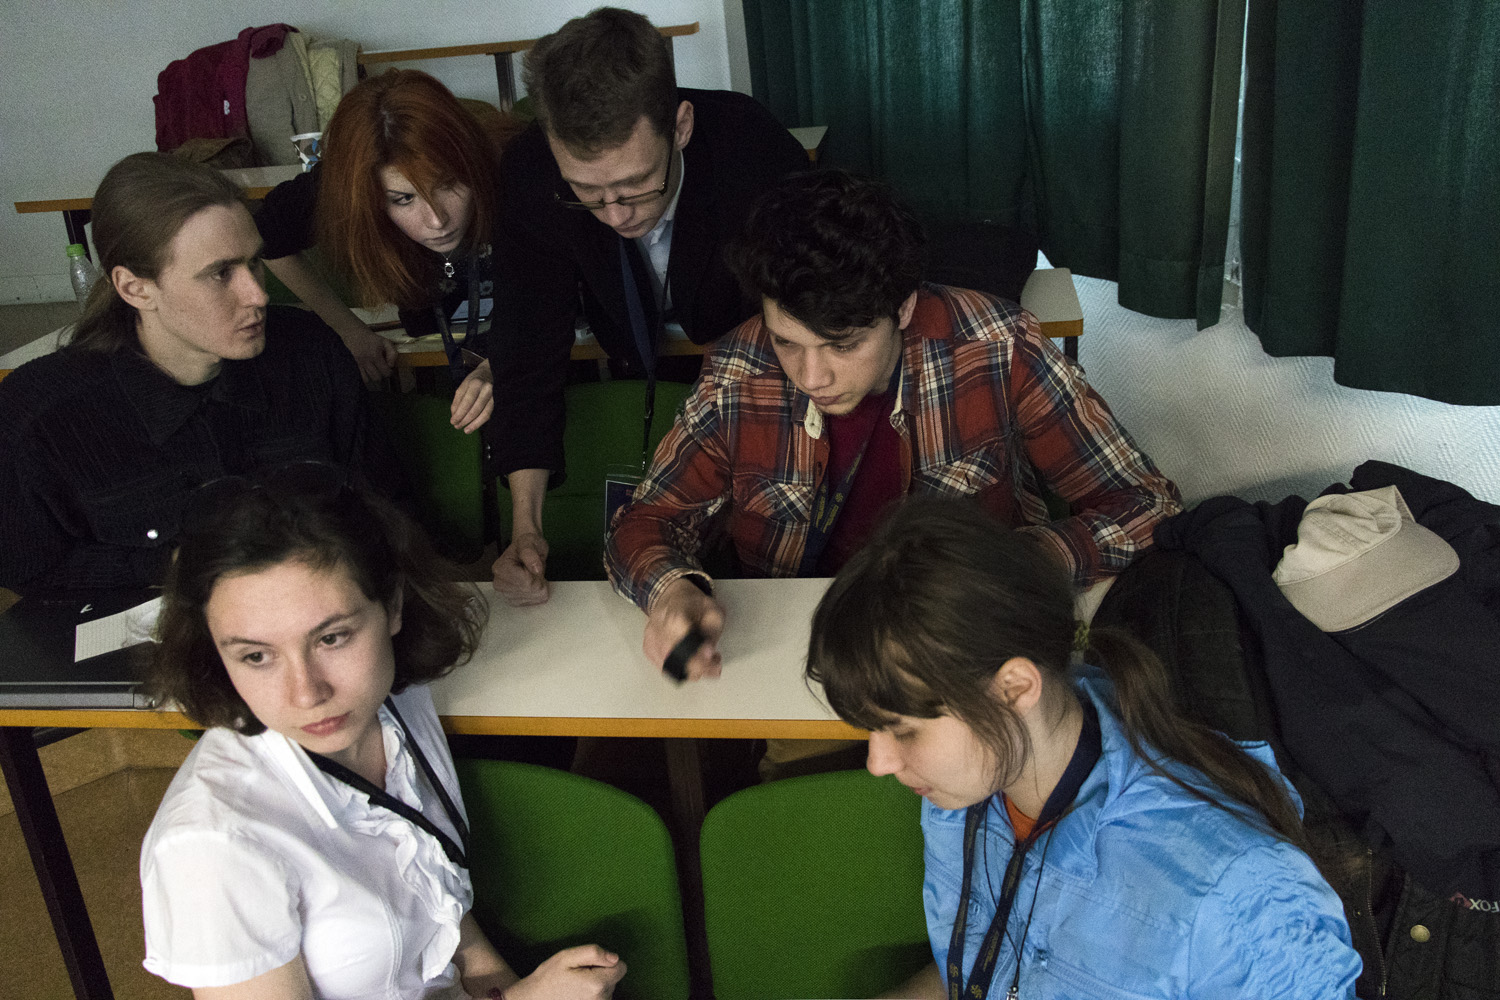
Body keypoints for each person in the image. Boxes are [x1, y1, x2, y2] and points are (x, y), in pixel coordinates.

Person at [605, 170, 1182, 681]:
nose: (811, 376)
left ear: (902, 307)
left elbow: (1147, 503)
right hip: (799, 657)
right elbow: (647, 521)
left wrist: (1033, 561)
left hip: (966, 648)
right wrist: (672, 587)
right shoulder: (737, 371)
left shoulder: (999, 347)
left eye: (843, 345)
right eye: (787, 342)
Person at [805, 497, 1362, 999]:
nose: (878, 763)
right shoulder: (968, 789)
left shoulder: (1237, 897)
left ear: (1014, 688)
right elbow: (987, 969)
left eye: (904, 730)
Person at [140, 466, 627, 999]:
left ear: (392, 605)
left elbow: (444, 914)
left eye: (332, 638)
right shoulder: (212, 847)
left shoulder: (395, 702)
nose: (306, 694)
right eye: (256, 656)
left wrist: (510, 990)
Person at [488, 7, 809, 606]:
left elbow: (804, 307)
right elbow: (527, 344)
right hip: (630, 351)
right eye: (587, 192)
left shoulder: (750, 146)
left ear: (680, 126)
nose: (615, 214)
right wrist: (525, 528)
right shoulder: (532, 170)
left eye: (636, 184)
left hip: (748, 356)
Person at [0, 152, 397, 595]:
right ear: (135, 289)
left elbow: (381, 506)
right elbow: (31, 572)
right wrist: (176, 566)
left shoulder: (311, 353)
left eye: (254, 262)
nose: (258, 295)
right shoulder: (40, 414)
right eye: (220, 273)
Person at [256, 69, 519, 432]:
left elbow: (557, 292)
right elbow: (269, 235)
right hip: (435, 347)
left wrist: (504, 359)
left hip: (544, 343)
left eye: (448, 184)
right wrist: (348, 330)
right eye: (403, 199)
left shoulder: (514, 166)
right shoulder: (347, 185)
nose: (437, 220)